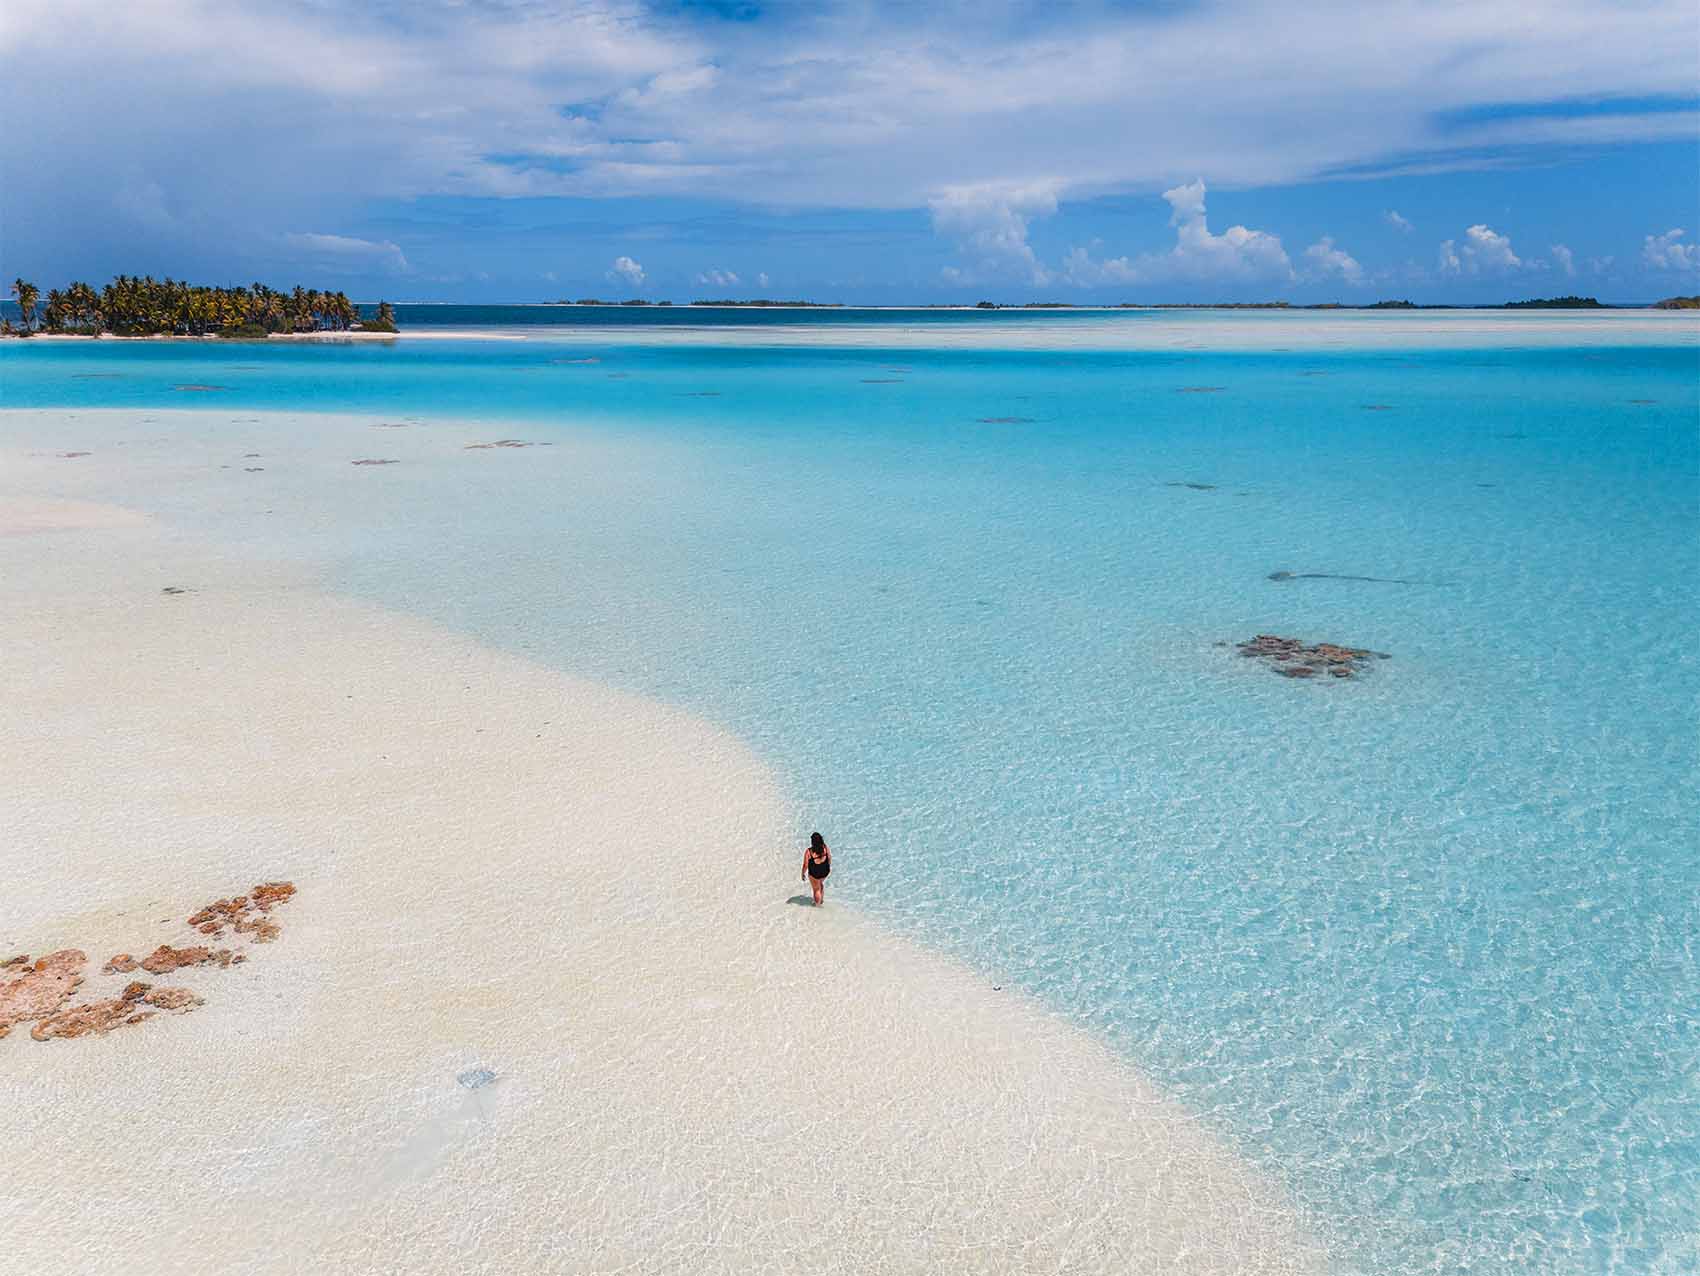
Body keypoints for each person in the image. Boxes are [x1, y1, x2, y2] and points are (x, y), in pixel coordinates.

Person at [801, 832, 831, 906]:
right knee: (820, 884)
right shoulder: (825, 847)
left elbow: (805, 865)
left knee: (816, 889)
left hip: (815, 874)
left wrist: (802, 873)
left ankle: (817, 906)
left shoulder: (809, 852)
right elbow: (829, 858)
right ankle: (821, 901)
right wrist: (827, 867)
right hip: (825, 871)